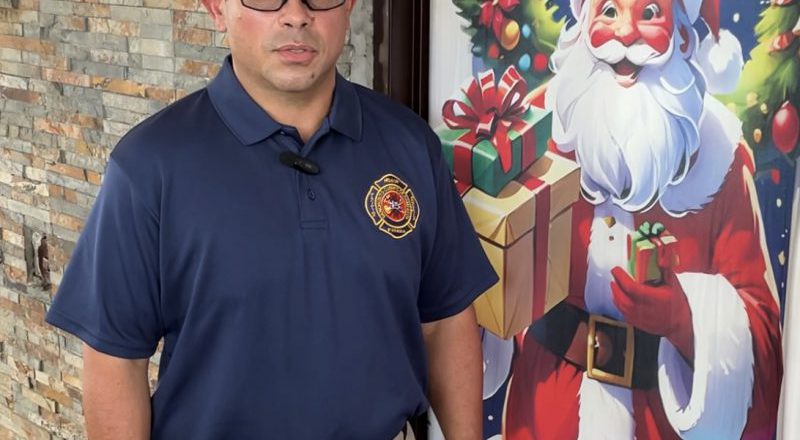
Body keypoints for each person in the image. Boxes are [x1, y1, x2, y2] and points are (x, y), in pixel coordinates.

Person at [45, 0, 498, 438]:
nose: (296, 15)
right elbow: (116, 359)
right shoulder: (149, 166)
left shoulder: (409, 145)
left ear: (348, 6)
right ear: (217, 8)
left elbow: (445, 320)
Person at [504, 0, 783, 438]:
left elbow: (764, 345)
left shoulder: (720, 154)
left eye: (650, 13)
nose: (626, 33)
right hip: (546, 414)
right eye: (610, 11)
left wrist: (687, 319)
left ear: (682, 34)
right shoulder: (535, 127)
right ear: (584, 21)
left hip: (665, 423)